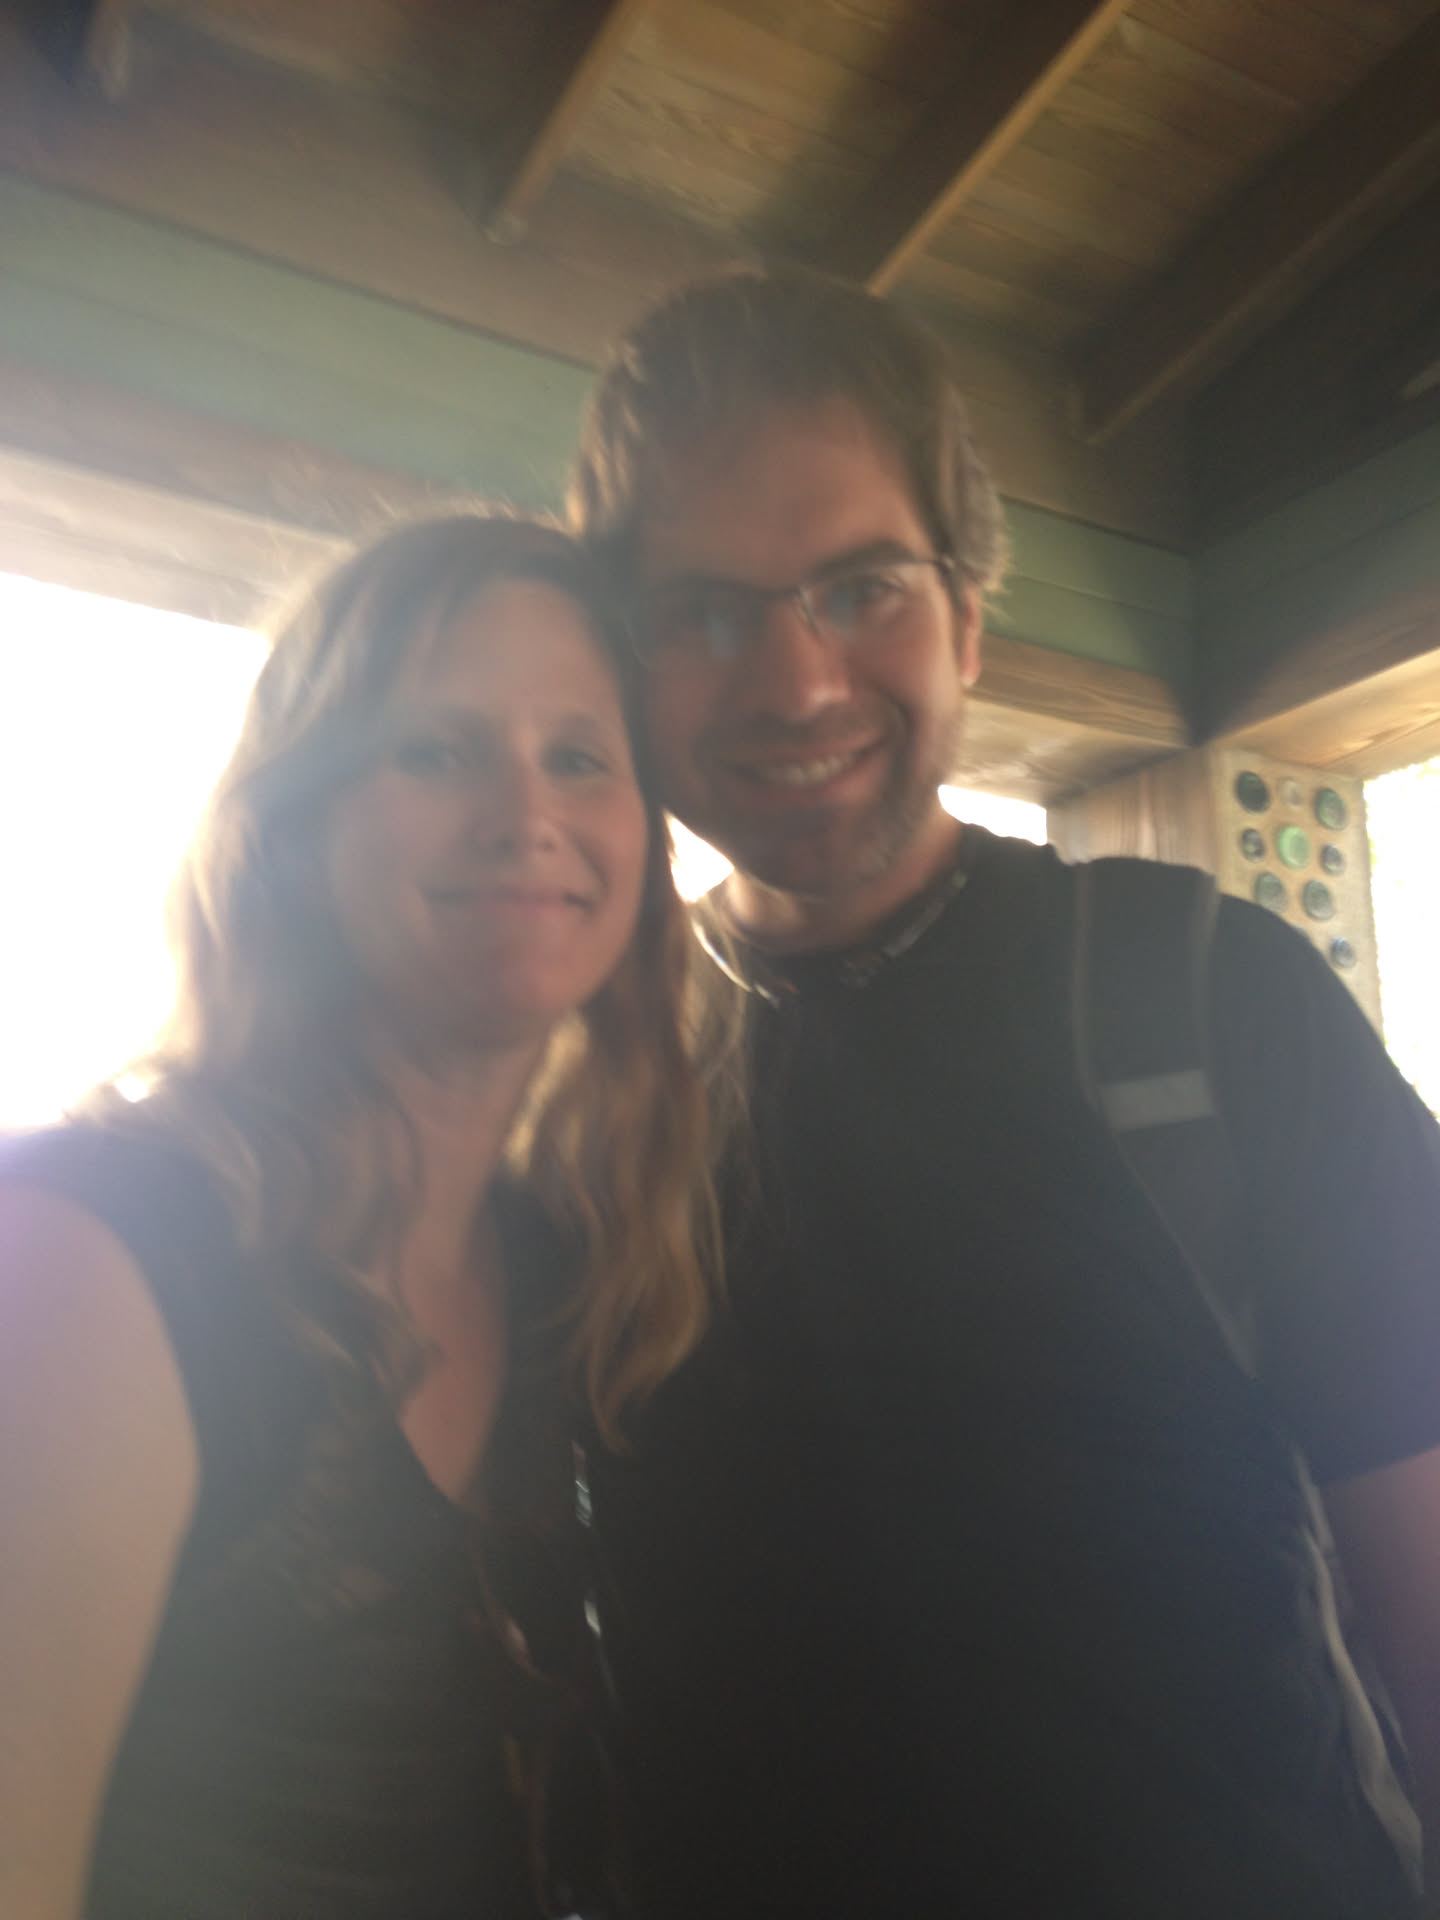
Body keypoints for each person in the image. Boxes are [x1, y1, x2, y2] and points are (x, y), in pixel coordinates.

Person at [569, 268, 1440, 1918]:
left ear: (967, 617)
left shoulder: (1210, 990)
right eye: (706, 613)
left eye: (861, 588)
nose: (797, 682)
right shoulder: (584, 1078)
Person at [0, 515, 722, 1920]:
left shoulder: (561, 1271)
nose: (525, 813)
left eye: (581, 756)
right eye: (438, 750)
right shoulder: (89, 1255)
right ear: (295, 823)